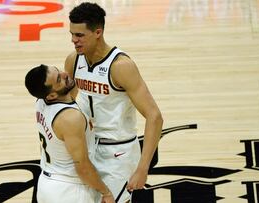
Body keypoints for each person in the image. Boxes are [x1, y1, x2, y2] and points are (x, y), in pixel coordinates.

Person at [64, 2, 163, 202]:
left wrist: (143, 168)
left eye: (80, 35)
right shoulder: (73, 60)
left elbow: (155, 117)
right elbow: (69, 105)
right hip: (88, 147)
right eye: (72, 34)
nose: (74, 40)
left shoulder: (121, 66)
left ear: (98, 32)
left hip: (119, 151)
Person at [25, 64, 115, 203]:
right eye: (59, 79)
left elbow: (69, 95)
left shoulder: (40, 101)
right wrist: (106, 192)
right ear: (52, 95)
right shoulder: (70, 118)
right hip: (70, 191)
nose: (65, 74)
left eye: (58, 70)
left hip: (45, 185)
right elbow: (83, 167)